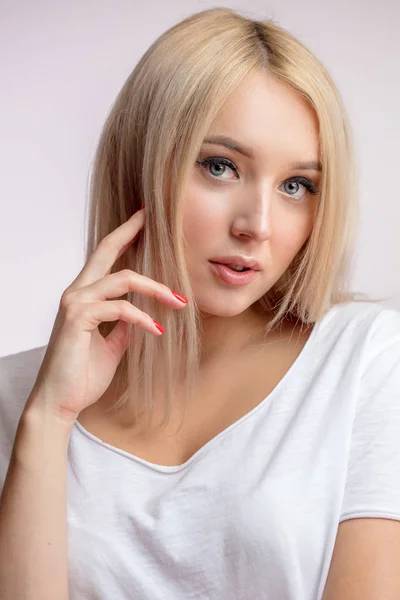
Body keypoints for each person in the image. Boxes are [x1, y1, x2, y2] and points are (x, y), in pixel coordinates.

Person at [1, 7, 399, 600]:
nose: (257, 225)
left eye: (297, 185)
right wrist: (48, 421)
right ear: (140, 164)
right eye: (220, 166)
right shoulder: (18, 397)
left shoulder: (366, 358)